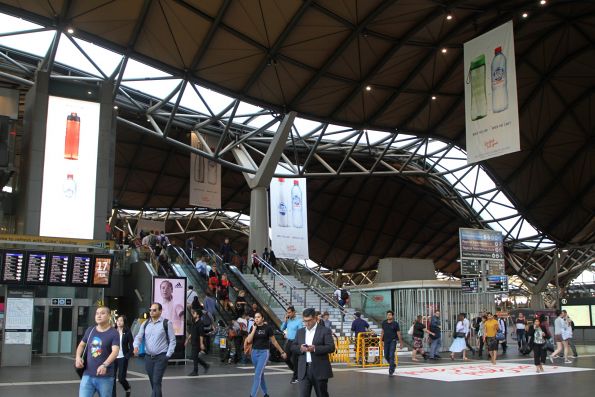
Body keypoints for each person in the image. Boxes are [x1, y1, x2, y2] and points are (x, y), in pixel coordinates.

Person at [133, 302, 177, 397]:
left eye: (154, 310)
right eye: (150, 310)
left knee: (156, 380)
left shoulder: (166, 323)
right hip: (148, 357)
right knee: (154, 382)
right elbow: (139, 337)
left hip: (161, 357)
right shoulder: (145, 324)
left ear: (160, 311)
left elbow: (173, 340)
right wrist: (136, 346)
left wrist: (168, 355)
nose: (151, 312)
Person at [75, 306, 120, 397]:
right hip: (87, 375)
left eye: (102, 313)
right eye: (97, 313)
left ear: (109, 316)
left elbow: (115, 351)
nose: (99, 315)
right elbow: (81, 345)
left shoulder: (113, 333)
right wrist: (78, 358)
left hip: (105, 377)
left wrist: (105, 364)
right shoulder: (90, 330)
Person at [291, 308, 335, 397]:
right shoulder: (300, 332)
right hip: (304, 370)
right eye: (305, 321)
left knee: (322, 394)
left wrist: (315, 349)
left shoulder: (325, 330)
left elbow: (331, 347)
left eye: (309, 320)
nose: (307, 323)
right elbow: (293, 347)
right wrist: (300, 348)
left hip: (320, 370)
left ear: (315, 318)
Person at [245, 312, 287, 397]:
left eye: (258, 317)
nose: (256, 319)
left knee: (257, 375)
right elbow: (249, 340)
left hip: (264, 353)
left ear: (262, 318)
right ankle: (265, 394)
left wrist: (282, 351)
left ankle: (252, 395)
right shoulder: (253, 327)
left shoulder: (268, 328)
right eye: (255, 317)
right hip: (254, 353)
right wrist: (253, 329)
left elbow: (274, 341)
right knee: (260, 374)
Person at [281, 306, 303, 384]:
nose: (288, 314)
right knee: (285, 358)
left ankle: (295, 377)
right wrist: (285, 321)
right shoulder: (288, 321)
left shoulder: (299, 321)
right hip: (289, 342)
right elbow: (282, 328)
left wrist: (299, 343)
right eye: (287, 312)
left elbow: (301, 332)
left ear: (294, 312)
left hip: (296, 342)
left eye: (289, 312)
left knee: (294, 360)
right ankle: (297, 371)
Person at [112, 315, 133, 397]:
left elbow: (131, 345)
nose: (119, 322)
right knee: (112, 378)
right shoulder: (113, 331)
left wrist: (127, 355)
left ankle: (127, 387)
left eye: (121, 321)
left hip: (122, 357)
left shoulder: (127, 332)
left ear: (124, 322)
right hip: (113, 357)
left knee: (121, 378)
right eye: (118, 320)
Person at [185, 309, 210, 376]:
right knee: (194, 357)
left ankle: (195, 371)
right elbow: (191, 332)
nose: (193, 314)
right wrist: (187, 340)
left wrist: (201, 344)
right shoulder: (194, 322)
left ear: (198, 315)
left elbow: (201, 334)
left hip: (197, 343)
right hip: (193, 342)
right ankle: (205, 365)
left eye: (195, 313)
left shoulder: (200, 323)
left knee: (194, 356)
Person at [381, 310, 403, 376]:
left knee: (391, 355)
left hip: (393, 341)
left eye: (390, 315)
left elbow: (398, 333)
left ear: (392, 316)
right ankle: (393, 365)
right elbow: (382, 332)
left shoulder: (395, 323)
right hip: (386, 341)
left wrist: (401, 342)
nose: (388, 316)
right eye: (387, 315)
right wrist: (381, 341)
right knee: (386, 355)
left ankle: (391, 369)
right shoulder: (384, 322)